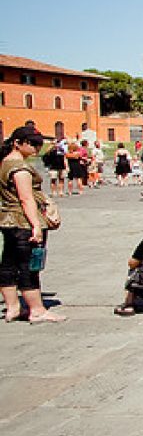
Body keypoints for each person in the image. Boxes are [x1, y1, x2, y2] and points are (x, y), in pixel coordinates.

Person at [0, 127, 65, 323]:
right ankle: (37, 309)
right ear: (17, 143)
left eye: (39, 143)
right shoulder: (20, 168)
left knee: (8, 264)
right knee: (29, 265)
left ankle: (13, 307)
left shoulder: (4, 163)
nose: (37, 147)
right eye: (32, 143)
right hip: (24, 221)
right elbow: (26, 199)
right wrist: (36, 226)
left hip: (8, 219)